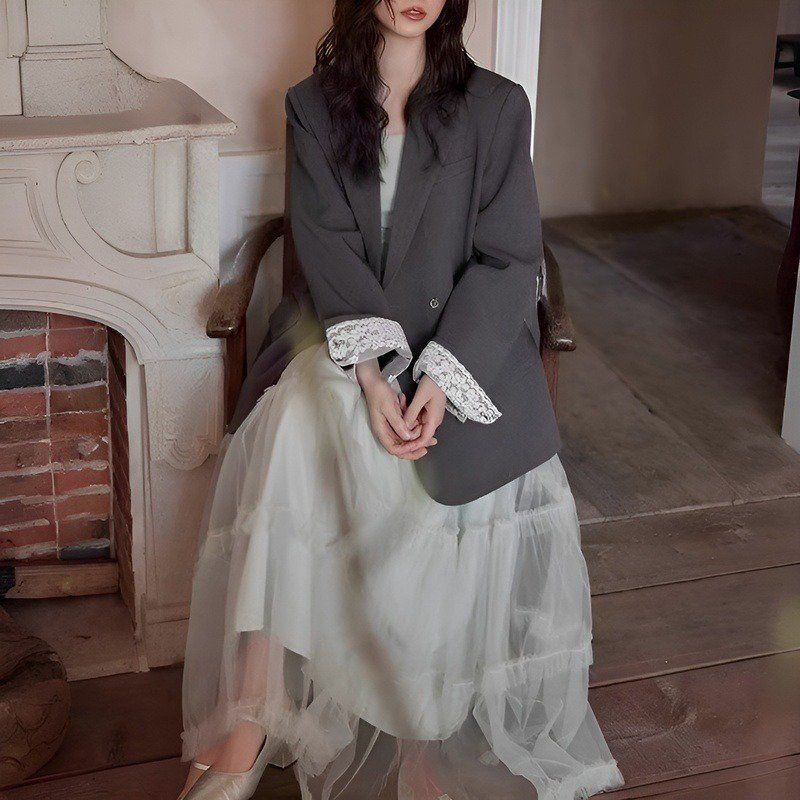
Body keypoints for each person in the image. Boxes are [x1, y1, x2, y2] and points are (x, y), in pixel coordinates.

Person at [176, 1, 624, 799]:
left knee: (428, 472)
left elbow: (508, 256)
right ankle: (250, 710)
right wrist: (376, 374)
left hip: (467, 347)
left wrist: (441, 380)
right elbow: (325, 246)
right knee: (299, 421)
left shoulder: (497, 105)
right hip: (348, 338)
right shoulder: (312, 105)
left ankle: (423, 741)